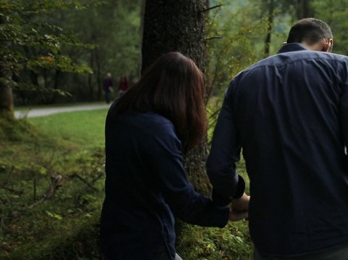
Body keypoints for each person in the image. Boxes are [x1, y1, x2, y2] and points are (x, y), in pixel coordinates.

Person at [206, 18, 348, 260]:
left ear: (286, 43)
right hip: (338, 237)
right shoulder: (342, 69)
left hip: (271, 243)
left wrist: (237, 197)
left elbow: (218, 166)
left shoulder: (241, 82)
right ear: (328, 44)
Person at [100, 52, 249, 260]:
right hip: (147, 241)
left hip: (113, 232)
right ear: (185, 94)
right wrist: (226, 214)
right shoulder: (159, 131)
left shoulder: (119, 109)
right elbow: (182, 200)